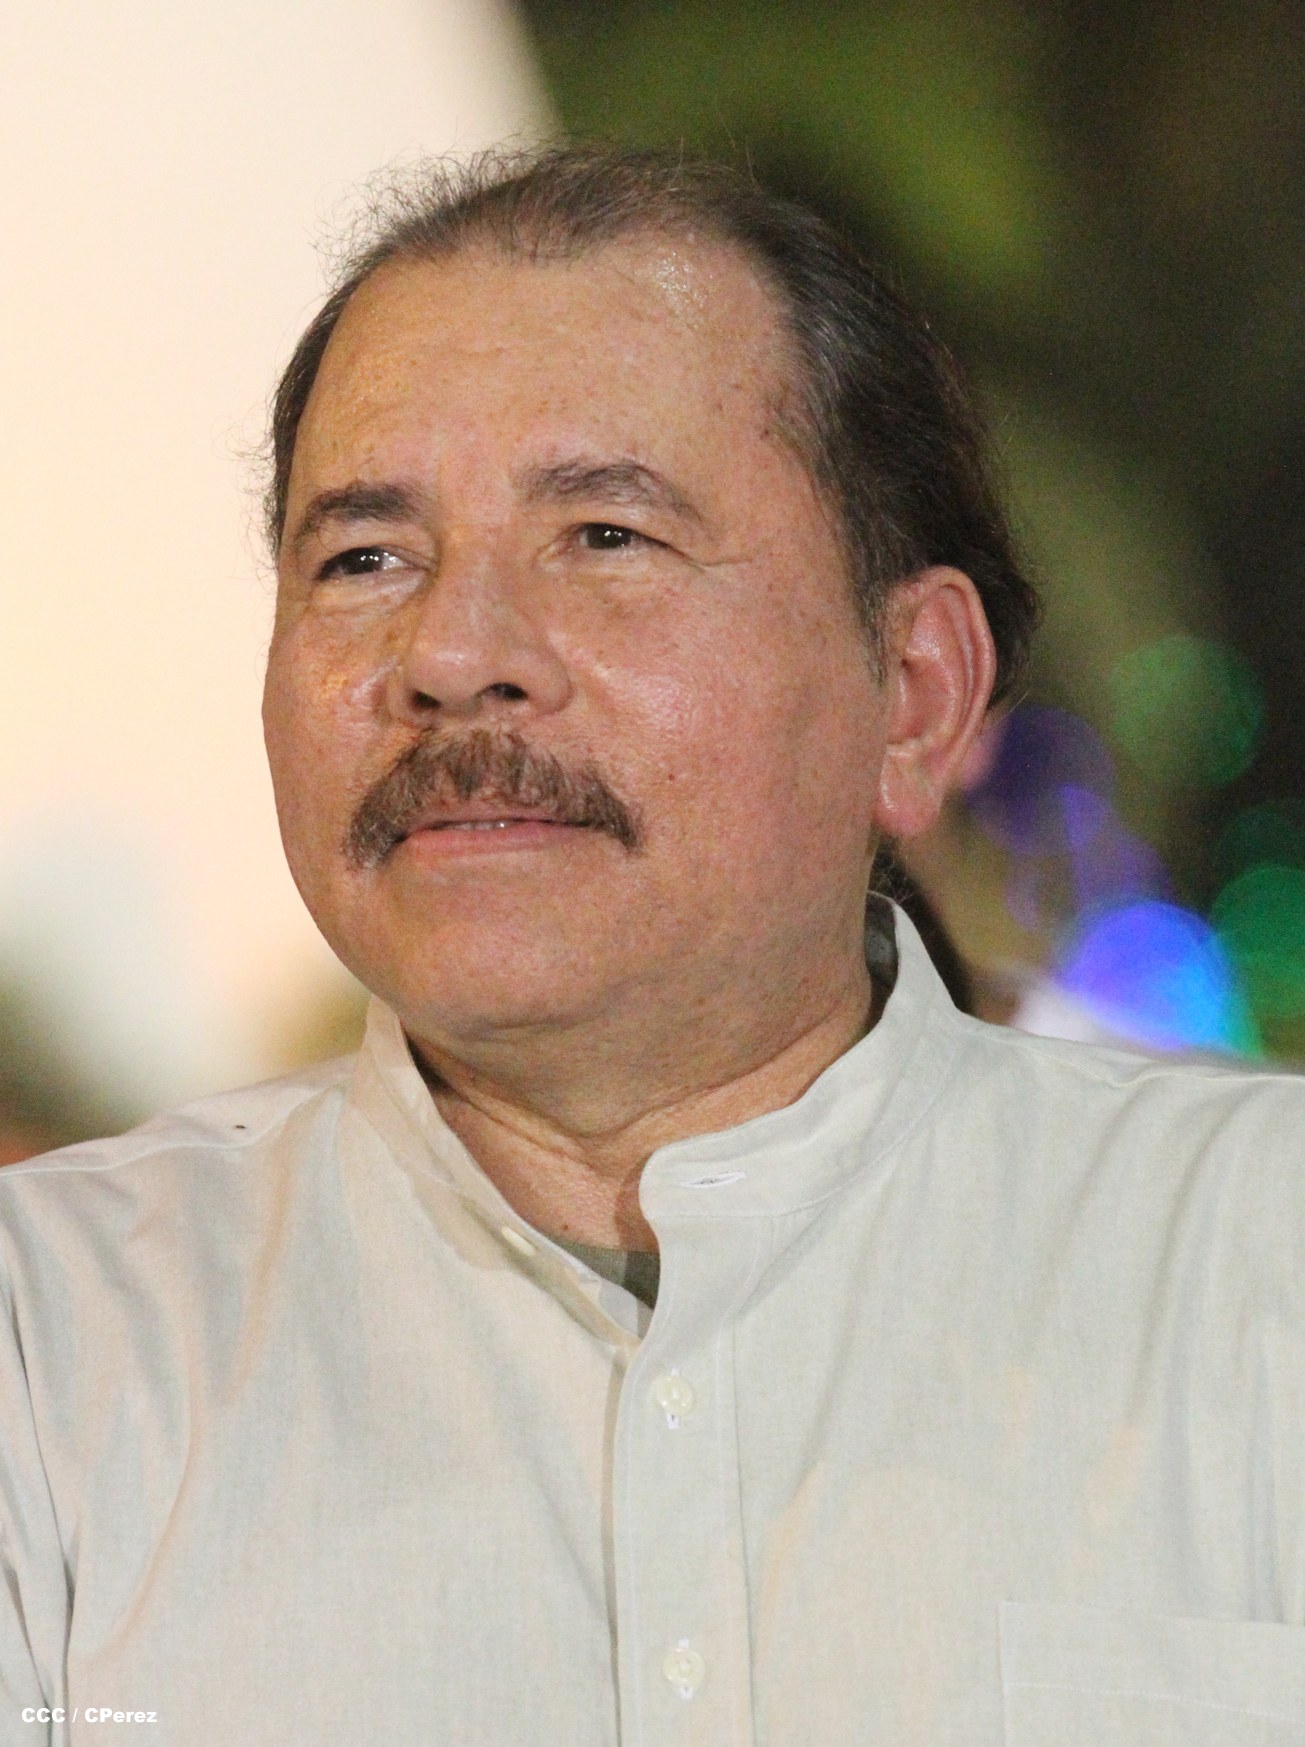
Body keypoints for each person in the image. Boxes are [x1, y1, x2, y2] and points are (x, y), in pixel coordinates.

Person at [2, 146, 1303, 1747]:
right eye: (362, 559)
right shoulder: (50, 1345)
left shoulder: (1256, 1265)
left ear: (913, 694)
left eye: (605, 537)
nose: (450, 655)